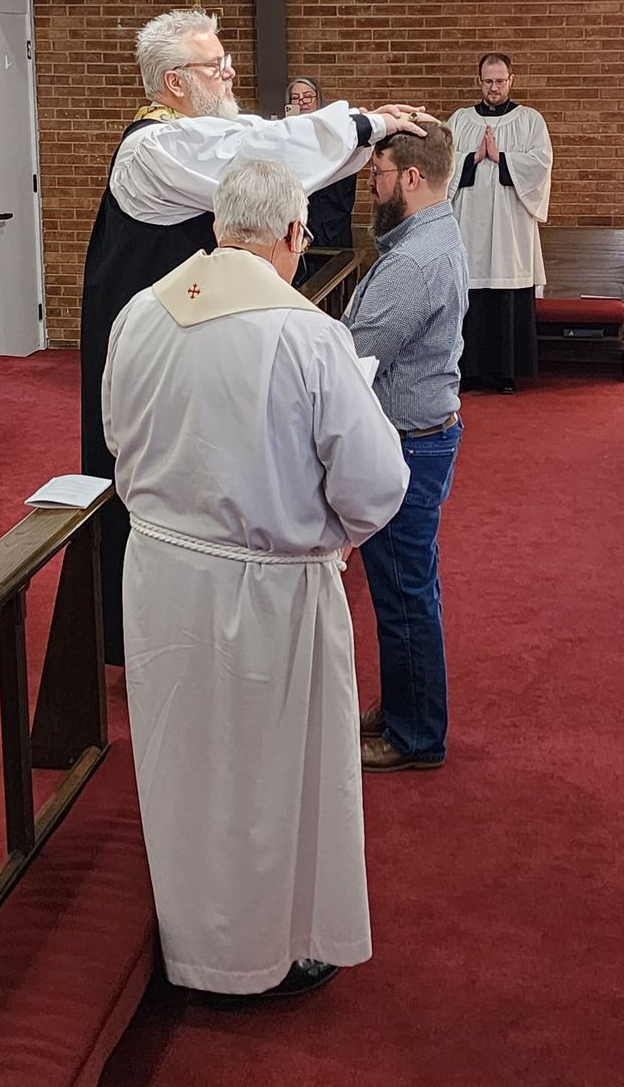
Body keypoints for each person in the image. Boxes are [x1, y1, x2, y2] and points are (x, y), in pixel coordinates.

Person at [102, 160, 410, 998]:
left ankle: (192, 940)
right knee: (272, 776)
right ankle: (268, 954)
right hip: (267, 593)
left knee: (185, 763)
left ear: (214, 231)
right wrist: (324, 537)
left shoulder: (142, 314)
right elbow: (378, 485)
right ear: (291, 236)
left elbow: (117, 438)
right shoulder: (308, 334)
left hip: (161, 578)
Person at [79, 7, 429, 664]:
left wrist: (361, 127)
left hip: (196, 331)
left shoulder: (199, 130)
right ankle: (137, 628)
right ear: (177, 81)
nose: (232, 70)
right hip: (161, 338)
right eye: (217, 64)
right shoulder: (153, 146)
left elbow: (266, 138)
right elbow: (256, 155)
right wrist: (367, 124)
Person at [342, 123, 468, 772]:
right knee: (406, 589)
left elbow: (354, 354)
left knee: (403, 592)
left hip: (407, 447)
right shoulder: (430, 233)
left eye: (379, 174)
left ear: (412, 179)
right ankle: (403, 702)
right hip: (423, 436)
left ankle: (416, 734)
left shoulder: (416, 260)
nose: (373, 186)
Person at [446, 53, 553, 394]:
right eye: (488, 81)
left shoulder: (529, 120)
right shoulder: (460, 121)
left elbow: (541, 164)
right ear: (479, 82)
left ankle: (507, 372)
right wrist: (472, 158)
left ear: (511, 80)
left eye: (500, 81)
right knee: (472, 293)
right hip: (470, 225)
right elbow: (441, 164)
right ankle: (471, 371)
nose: (494, 87)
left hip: (511, 227)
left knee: (506, 293)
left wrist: (502, 158)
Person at [285, 76, 358, 249]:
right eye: (295, 98)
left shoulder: (333, 130)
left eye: (308, 96)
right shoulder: (285, 135)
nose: (302, 101)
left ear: (318, 100)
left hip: (329, 213)